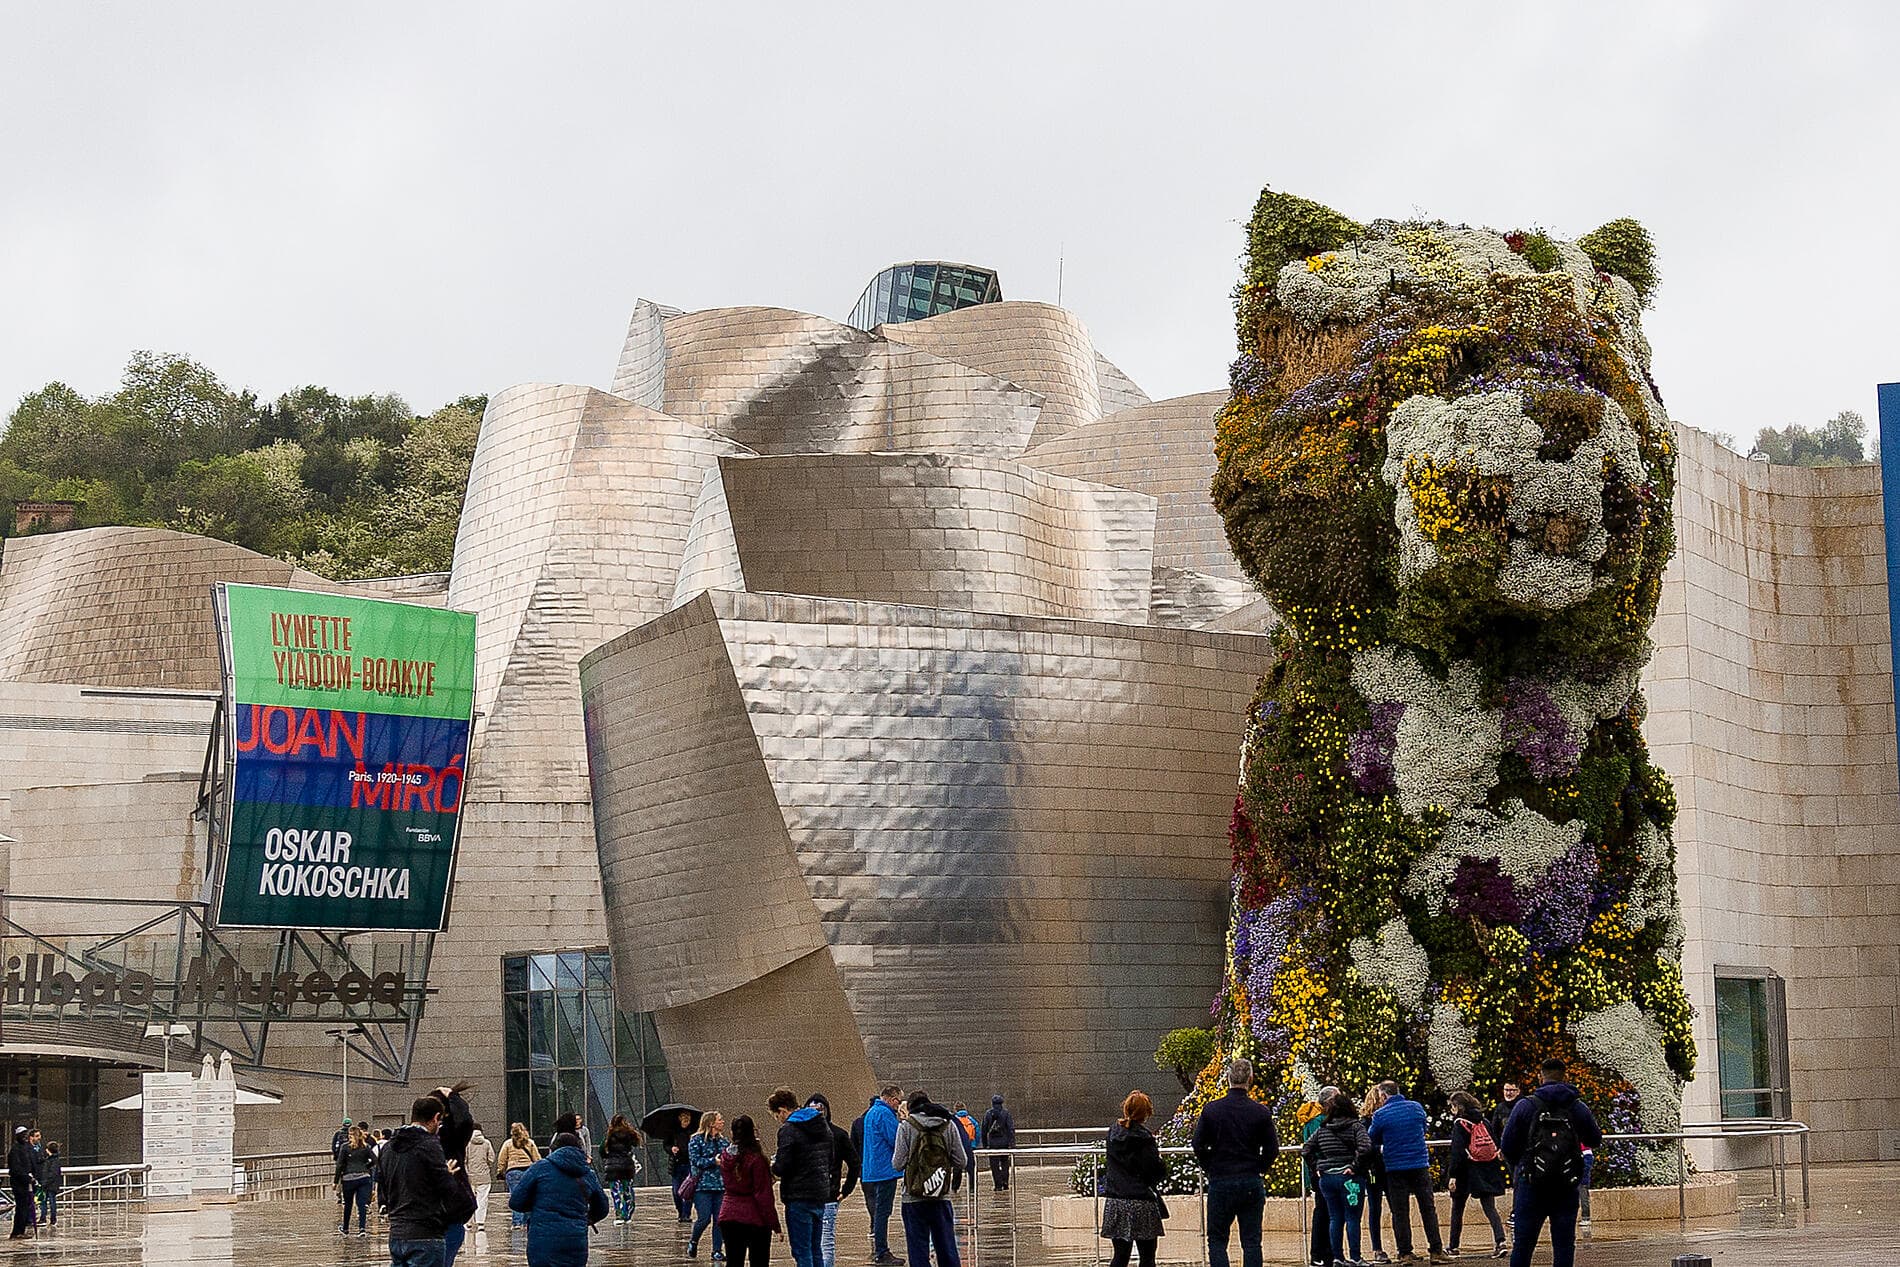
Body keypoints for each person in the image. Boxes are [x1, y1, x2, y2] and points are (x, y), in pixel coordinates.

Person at [1500, 1059, 1602, 1267]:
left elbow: (1507, 1146)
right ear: (1564, 1077)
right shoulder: (1577, 1107)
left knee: (1523, 1246)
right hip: (1566, 1185)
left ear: (1541, 1076)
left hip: (1531, 1184)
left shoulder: (1525, 1105)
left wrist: (1523, 1165)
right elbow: (1594, 1139)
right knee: (1564, 1246)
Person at [1191, 1059, 1279, 1267]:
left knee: (1218, 1240)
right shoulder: (1260, 1112)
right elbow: (1272, 1149)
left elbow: (1198, 1144)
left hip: (1221, 1179)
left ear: (1228, 1079)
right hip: (1250, 1179)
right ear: (1250, 1078)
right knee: (1251, 1241)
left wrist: (1210, 1166)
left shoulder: (1212, 1110)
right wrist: (1259, 1167)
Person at [380, 1095, 479, 1267]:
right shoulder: (429, 1144)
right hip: (425, 1232)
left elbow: (386, 1184)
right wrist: (447, 1173)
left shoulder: (389, 1147)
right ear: (435, 1118)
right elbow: (447, 1188)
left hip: (397, 1232)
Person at [1368, 1081, 1449, 1265]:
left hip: (1395, 1167)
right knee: (1428, 1208)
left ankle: (1405, 1253)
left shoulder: (1380, 1115)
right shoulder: (1416, 1107)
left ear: (1383, 1096)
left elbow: (1371, 1137)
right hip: (1419, 1164)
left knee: (1400, 1211)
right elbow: (1423, 1128)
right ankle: (1436, 1250)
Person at [508, 1129, 609, 1267]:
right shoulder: (587, 1173)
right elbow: (603, 1207)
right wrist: (586, 1219)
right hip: (576, 1240)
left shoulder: (540, 1168)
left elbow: (516, 1202)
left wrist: (536, 1207)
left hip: (543, 1240)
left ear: (554, 1149)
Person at [892, 1091, 970, 1267]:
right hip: (940, 1196)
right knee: (947, 1248)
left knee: (918, 1251)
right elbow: (962, 1161)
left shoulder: (906, 1126)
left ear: (911, 1107)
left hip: (913, 1198)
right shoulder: (947, 1125)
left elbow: (897, 1164)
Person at [1303, 1092, 1373, 1267]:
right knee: (1352, 1218)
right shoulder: (1355, 1126)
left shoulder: (1323, 1129)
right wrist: (1354, 1166)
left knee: (1335, 1218)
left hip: (1327, 1179)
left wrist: (1317, 1167)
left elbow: (1306, 1150)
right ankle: (1356, 1257)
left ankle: (1337, 1257)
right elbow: (1365, 1147)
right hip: (1349, 1179)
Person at [769, 1086, 834, 1267]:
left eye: (777, 1115)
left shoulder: (788, 1130)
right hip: (820, 1193)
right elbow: (831, 1158)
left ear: (782, 1110)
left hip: (798, 1196)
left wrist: (772, 1167)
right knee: (816, 1248)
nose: (779, 1120)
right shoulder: (822, 1125)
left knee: (801, 1250)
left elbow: (782, 1166)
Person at [1101, 1091, 1168, 1267]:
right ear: (1146, 1113)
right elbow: (1155, 1169)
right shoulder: (1145, 1138)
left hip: (1116, 1201)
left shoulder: (1113, 1133)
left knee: (1120, 1256)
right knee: (1147, 1257)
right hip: (1141, 1202)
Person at [1445, 1092, 1506, 1258]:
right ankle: (1500, 1241)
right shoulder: (1484, 1121)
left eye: (1453, 1106)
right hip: (1485, 1169)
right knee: (1489, 1207)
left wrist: (1453, 1175)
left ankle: (1453, 1246)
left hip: (1466, 1171)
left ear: (1459, 1107)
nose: (1451, 1110)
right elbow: (1495, 1143)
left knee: (1457, 1208)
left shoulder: (1460, 1124)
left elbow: (1457, 1152)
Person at [718, 1114, 780, 1267]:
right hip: (754, 1218)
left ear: (732, 1133)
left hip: (729, 1214)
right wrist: (775, 1224)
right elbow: (763, 1195)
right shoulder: (756, 1159)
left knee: (733, 1261)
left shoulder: (725, 1157)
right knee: (759, 1261)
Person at [805, 1094, 860, 1267]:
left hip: (815, 1196)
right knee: (825, 1241)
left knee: (816, 1242)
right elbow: (854, 1162)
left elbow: (854, 1163)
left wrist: (846, 1189)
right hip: (823, 1195)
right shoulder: (838, 1134)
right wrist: (845, 1189)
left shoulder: (802, 1134)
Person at [857, 1086, 903, 1265]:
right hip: (884, 1170)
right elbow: (896, 1139)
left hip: (872, 1169)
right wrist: (903, 1121)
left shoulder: (872, 1112)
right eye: (899, 1101)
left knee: (879, 1211)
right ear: (892, 1099)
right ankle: (882, 1251)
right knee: (883, 1211)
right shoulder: (885, 1114)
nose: (898, 1105)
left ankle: (880, 1249)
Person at [435, 1083, 479, 1267]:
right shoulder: (450, 1138)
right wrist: (453, 1096)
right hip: (445, 1210)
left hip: (431, 1214)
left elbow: (464, 1122)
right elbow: (465, 1121)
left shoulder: (446, 1136)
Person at [1299, 1088, 1338, 1267]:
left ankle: (1324, 1252)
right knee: (1324, 1212)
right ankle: (1322, 1253)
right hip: (1322, 1172)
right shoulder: (1318, 1122)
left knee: (1325, 1212)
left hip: (1320, 1172)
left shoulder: (1315, 1120)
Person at [688, 1111, 729, 1260]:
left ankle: (717, 1250)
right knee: (704, 1218)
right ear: (711, 1123)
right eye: (719, 1120)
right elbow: (695, 1160)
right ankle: (694, 1240)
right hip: (702, 1186)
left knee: (719, 1220)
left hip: (720, 1186)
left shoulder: (724, 1142)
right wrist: (713, 1161)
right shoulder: (696, 1140)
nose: (722, 1122)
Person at [1358, 1086, 1390, 1264]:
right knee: (1375, 1208)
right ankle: (1377, 1248)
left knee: (1397, 1207)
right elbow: (1366, 1145)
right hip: (1374, 1170)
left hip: (1390, 1168)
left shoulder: (1386, 1118)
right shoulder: (1365, 1122)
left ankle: (1403, 1247)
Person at [335, 1123, 378, 1236]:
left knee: (348, 1204)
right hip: (364, 1178)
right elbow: (375, 1160)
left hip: (348, 1178)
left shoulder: (345, 1147)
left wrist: (335, 1181)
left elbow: (339, 1164)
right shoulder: (366, 1147)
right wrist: (366, 1167)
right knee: (361, 1203)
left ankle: (345, 1228)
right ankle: (362, 1229)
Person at [600, 1114, 643, 1225]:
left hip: (612, 1167)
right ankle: (627, 1214)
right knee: (627, 1190)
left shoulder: (609, 1135)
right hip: (626, 1166)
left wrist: (608, 1156)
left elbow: (602, 1151)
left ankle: (619, 1214)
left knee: (615, 1192)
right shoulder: (629, 1134)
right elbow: (636, 1143)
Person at [497, 1123, 541, 1228]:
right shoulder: (530, 1143)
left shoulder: (507, 1143)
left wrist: (500, 1171)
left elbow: (502, 1159)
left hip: (513, 1172)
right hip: (528, 1171)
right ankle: (527, 1222)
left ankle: (517, 1222)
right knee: (529, 1196)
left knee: (516, 1196)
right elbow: (537, 1158)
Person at [667, 1109, 699, 1223]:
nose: (686, 1123)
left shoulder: (693, 1132)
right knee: (676, 1191)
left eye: (688, 1120)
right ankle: (680, 1211)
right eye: (684, 1120)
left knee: (689, 1189)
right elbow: (666, 1145)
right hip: (677, 1164)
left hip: (689, 1164)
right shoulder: (673, 1132)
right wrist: (672, 1149)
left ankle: (686, 1214)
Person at [465, 1126, 496, 1237]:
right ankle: (480, 1223)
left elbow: (465, 1159)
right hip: (484, 1176)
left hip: (470, 1176)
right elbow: (491, 1158)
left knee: (469, 1199)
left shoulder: (467, 1143)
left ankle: (468, 1222)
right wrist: (487, 1166)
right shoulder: (486, 1143)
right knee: (482, 1199)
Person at [980, 1095, 1014, 1192]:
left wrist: (985, 1144)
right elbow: (1010, 1129)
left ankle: (998, 1185)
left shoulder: (988, 1114)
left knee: (994, 1165)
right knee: (1004, 1163)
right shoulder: (1006, 1113)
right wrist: (1012, 1143)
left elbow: (984, 1129)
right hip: (1004, 1143)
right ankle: (1005, 1182)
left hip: (993, 1144)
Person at [8, 1127, 37, 1239]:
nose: (24, 1136)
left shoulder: (26, 1148)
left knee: (26, 1207)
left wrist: (33, 1176)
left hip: (27, 1181)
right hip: (19, 1183)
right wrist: (26, 1177)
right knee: (21, 1208)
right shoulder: (15, 1150)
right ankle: (17, 1232)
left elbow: (31, 1162)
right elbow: (16, 1168)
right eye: (22, 1134)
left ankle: (21, 1230)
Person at [34, 1142, 60, 1229]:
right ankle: (47, 1218)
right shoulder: (52, 1160)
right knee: (46, 1202)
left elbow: (52, 1174)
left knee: (47, 1202)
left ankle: (49, 1218)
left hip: (48, 1185)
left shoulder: (51, 1160)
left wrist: (44, 1183)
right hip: (50, 1185)